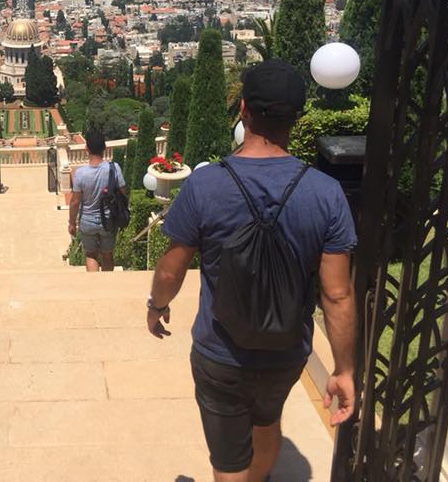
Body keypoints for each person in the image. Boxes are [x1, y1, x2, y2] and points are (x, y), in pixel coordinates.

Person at [146, 59, 356, 482]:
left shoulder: (206, 185)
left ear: (243, 110)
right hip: (286, 351)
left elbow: (172, 268)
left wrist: (156, 305)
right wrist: (344, 370)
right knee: (267, 423)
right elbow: (337, 295)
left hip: (220, 351)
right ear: (296, 119)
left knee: (228, 460)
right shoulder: (326, 193)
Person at [68, 130, 126, 272]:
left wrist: (71, 223)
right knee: (107, 255)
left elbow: (75, 202)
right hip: (108, 219)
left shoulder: (80, 173)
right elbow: (123, 194)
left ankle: (94, 288)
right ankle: (106, 289)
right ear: (104, 147)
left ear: (86, 148)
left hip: (87, 220)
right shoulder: (114, 168)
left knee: (91, 255)